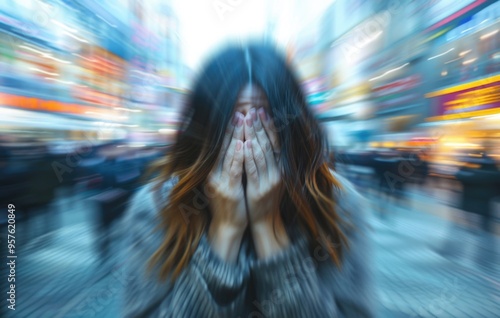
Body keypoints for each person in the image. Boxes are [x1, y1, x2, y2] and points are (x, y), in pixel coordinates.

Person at [121, 42, 374, 317]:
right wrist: (225, 232)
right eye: (234, 121)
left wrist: (270, 230)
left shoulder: (338, 205)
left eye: (261, 119)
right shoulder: (159, 207)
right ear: (207, 129)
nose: (247, 138)